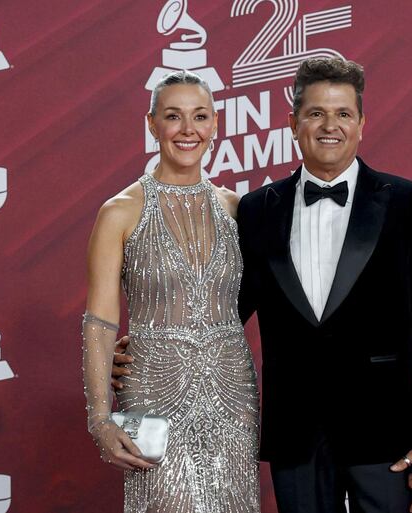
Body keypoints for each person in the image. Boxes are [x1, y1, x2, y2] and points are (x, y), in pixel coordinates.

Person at [114, 57, 412, 513]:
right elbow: (223, 309)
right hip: (296, 434)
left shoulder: (408, 203)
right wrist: (147, 347)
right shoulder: (259, 209)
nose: (330, 126)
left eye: (343, 113)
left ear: (361, 122)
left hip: (387, 433)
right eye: (316, 113)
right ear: (293, 124)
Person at [82, 69, 260, 513]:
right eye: (173, 116)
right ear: (152, 124)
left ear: (216, 125)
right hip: (151, 389)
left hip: (232, 389)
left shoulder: (236, 208)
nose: (188, 130)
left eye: (200, 116)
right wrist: (101, 419)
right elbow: (100, 323)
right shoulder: (119, 212)